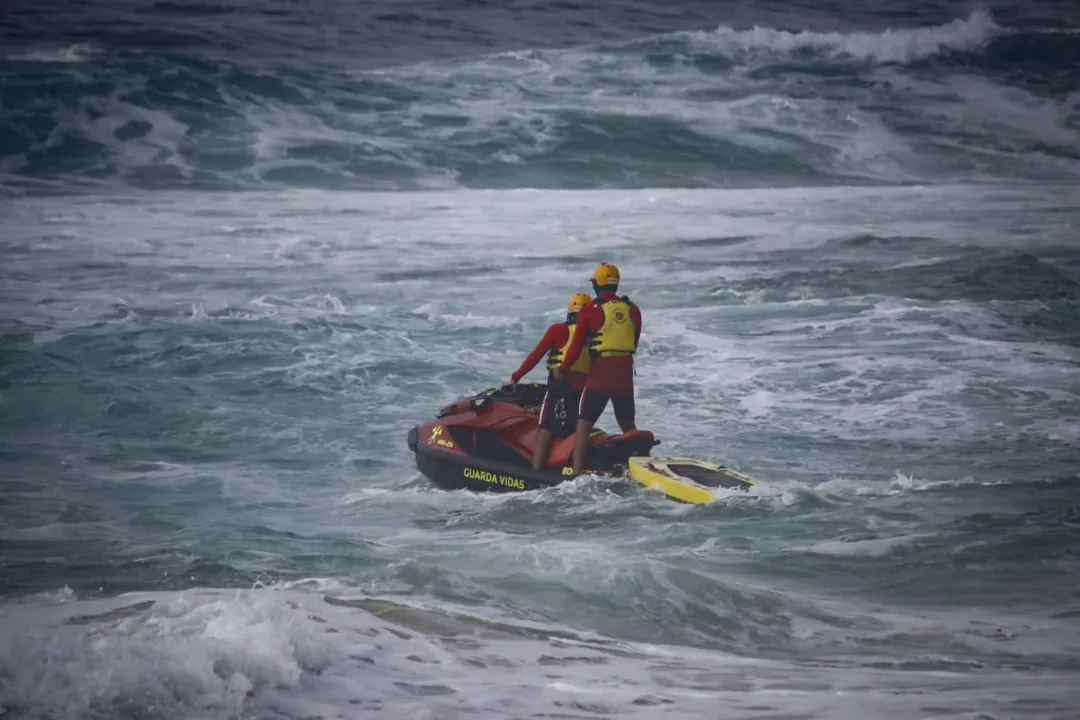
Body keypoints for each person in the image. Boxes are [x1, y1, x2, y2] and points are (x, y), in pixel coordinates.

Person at [553, 262, 642, 475]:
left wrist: (562, 369)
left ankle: (576, 471)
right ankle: (642, 466)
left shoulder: (590, 310)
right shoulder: (632, 309)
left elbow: (575, 348)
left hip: (600, 373)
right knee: (627, 423)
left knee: (584, 422)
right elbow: (634, 341)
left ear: (597, 285)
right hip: (624, 372)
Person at [506, 292, 592, 469]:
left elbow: (536, 355)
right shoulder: (593, 335)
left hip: (561, 386)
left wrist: (515, 377)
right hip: (585, 389)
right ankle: (575, 470)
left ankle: (536, 473)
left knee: (545, 428)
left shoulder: (559, 330)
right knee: (577, 429)